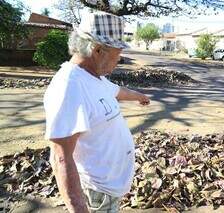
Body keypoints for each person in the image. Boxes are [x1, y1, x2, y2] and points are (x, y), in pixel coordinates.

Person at [43, 12, 150, 213]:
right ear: (98, 50)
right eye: (117, 54)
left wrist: (140, 96)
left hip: (109, 189)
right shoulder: (69, 87)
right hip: (97, 194)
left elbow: (117, 92)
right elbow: (60, 158)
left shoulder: (93, 77)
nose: (119, 60)